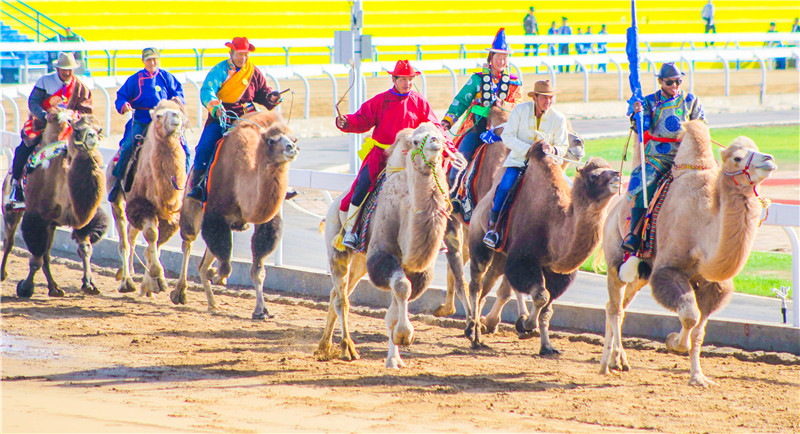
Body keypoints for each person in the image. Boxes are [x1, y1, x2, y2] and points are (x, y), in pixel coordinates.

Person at [335, 60, 447, 249]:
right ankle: (351, 231)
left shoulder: (420, 102)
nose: (407, 83)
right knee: (361, 187)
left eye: (410, 79)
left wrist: (443, 140)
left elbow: (433, 125)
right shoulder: (380, 101)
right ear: (393, 79)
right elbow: (362, 119)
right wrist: (346, 122)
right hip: (381, 155)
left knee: (434, 188)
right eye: (403, 79)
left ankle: (436, 232)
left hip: (411, 156)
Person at [620, 62, 705, 254]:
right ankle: (634, 233)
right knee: (645, 182)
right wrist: (638, 114)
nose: (675, 86)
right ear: (660, 82)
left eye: (678, 81)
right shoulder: (649, 102)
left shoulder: (691, 101)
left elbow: (702, 126)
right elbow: (641, 129)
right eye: (670, 82)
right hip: (659, 155)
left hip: (687, 154)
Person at [187, 37, 283, 201]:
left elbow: (263, 92)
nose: (243, 58)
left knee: (273, 141)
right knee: (205, 146)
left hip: (249, 116)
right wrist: (215, 108)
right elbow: (207, 90)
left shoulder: (253, 71)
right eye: (240, 54)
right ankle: (198, 185)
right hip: (223, 116)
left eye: (246, 55)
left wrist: (272, 97)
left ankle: (277, 183)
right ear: (231, 53)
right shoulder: (220, 70)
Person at [441, 28, 523, 211]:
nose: (502, 61)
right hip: (477, 127)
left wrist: (502, 105)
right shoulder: (477, 80)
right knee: (459, 161)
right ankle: (453, 198)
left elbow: (518, 106)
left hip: (504, 132)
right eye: (498, 57)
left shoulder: (514, 83)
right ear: (491, 58)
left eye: (505, 57)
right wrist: (448, 120)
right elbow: (461, 101)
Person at [482, 80, 569, 248]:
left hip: (546, 168)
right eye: (544, 98)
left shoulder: (559, 119)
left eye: (550, 98)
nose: (548, 102)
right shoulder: (520, 111)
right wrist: (529, 150)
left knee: (565, 194)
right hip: (519, 163)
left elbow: (563, 147)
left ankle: (563, 234)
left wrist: (552, 149)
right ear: (535, 97)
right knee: (505, 188)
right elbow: (508, 137)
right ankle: (493, 228)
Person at [6, 52, 92, 210]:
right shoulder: (44, 82)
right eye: (64, 69)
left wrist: (74, 116)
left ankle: (84, 192)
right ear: (57, 68)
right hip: (42, 125)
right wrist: (45, 116)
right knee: (23, 149)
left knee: (86, 154)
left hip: (68, 130)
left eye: (70, 70)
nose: (67, 72)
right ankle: (16, 186)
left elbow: (87, 111)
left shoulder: (80, 88)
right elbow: (33, 102)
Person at [109, 47, 186, 201]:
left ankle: (185, 184)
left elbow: (178, 94)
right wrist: (124, 105)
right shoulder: (135, 79)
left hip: (164, 120)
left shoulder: (166, 77)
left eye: (155, 59)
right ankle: (118, 183)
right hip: (142, 118)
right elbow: (122, 96)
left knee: (184, 148)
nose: (152, 62)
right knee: (128, 146)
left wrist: (177, 101)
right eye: (149, 59)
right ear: (143, 61)